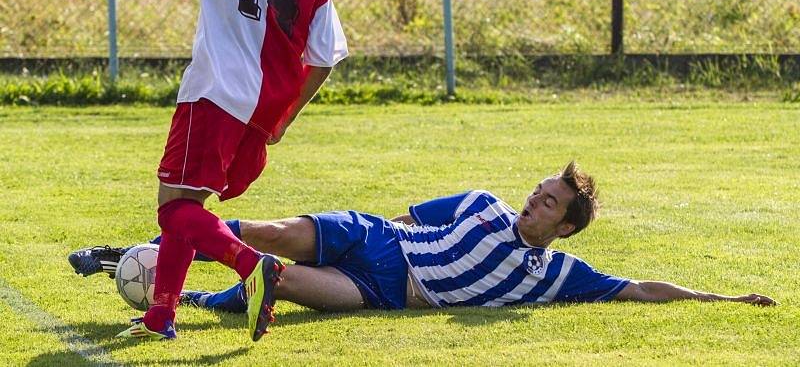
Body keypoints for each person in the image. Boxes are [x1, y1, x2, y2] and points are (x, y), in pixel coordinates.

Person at [34, 0, 348, 342]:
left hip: (215, 93)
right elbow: (325, 59)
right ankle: (162, 317)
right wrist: (284, 120)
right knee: (189, 204)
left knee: (173, 210)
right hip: (262, 115)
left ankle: (252, 265)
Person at [69, 161, 775, 327]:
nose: (534, 200)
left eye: (549, 203)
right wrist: (353, 237)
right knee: (262, 230)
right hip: (374, 239)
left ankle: (175, 284)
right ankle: (136, 246)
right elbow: (403, 216)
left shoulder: (554, 274)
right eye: (537, 191)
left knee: (275, 280)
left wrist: (724, 295)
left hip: (384, 292)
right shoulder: (478, 202)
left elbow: (638, 286)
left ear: (564, 225)